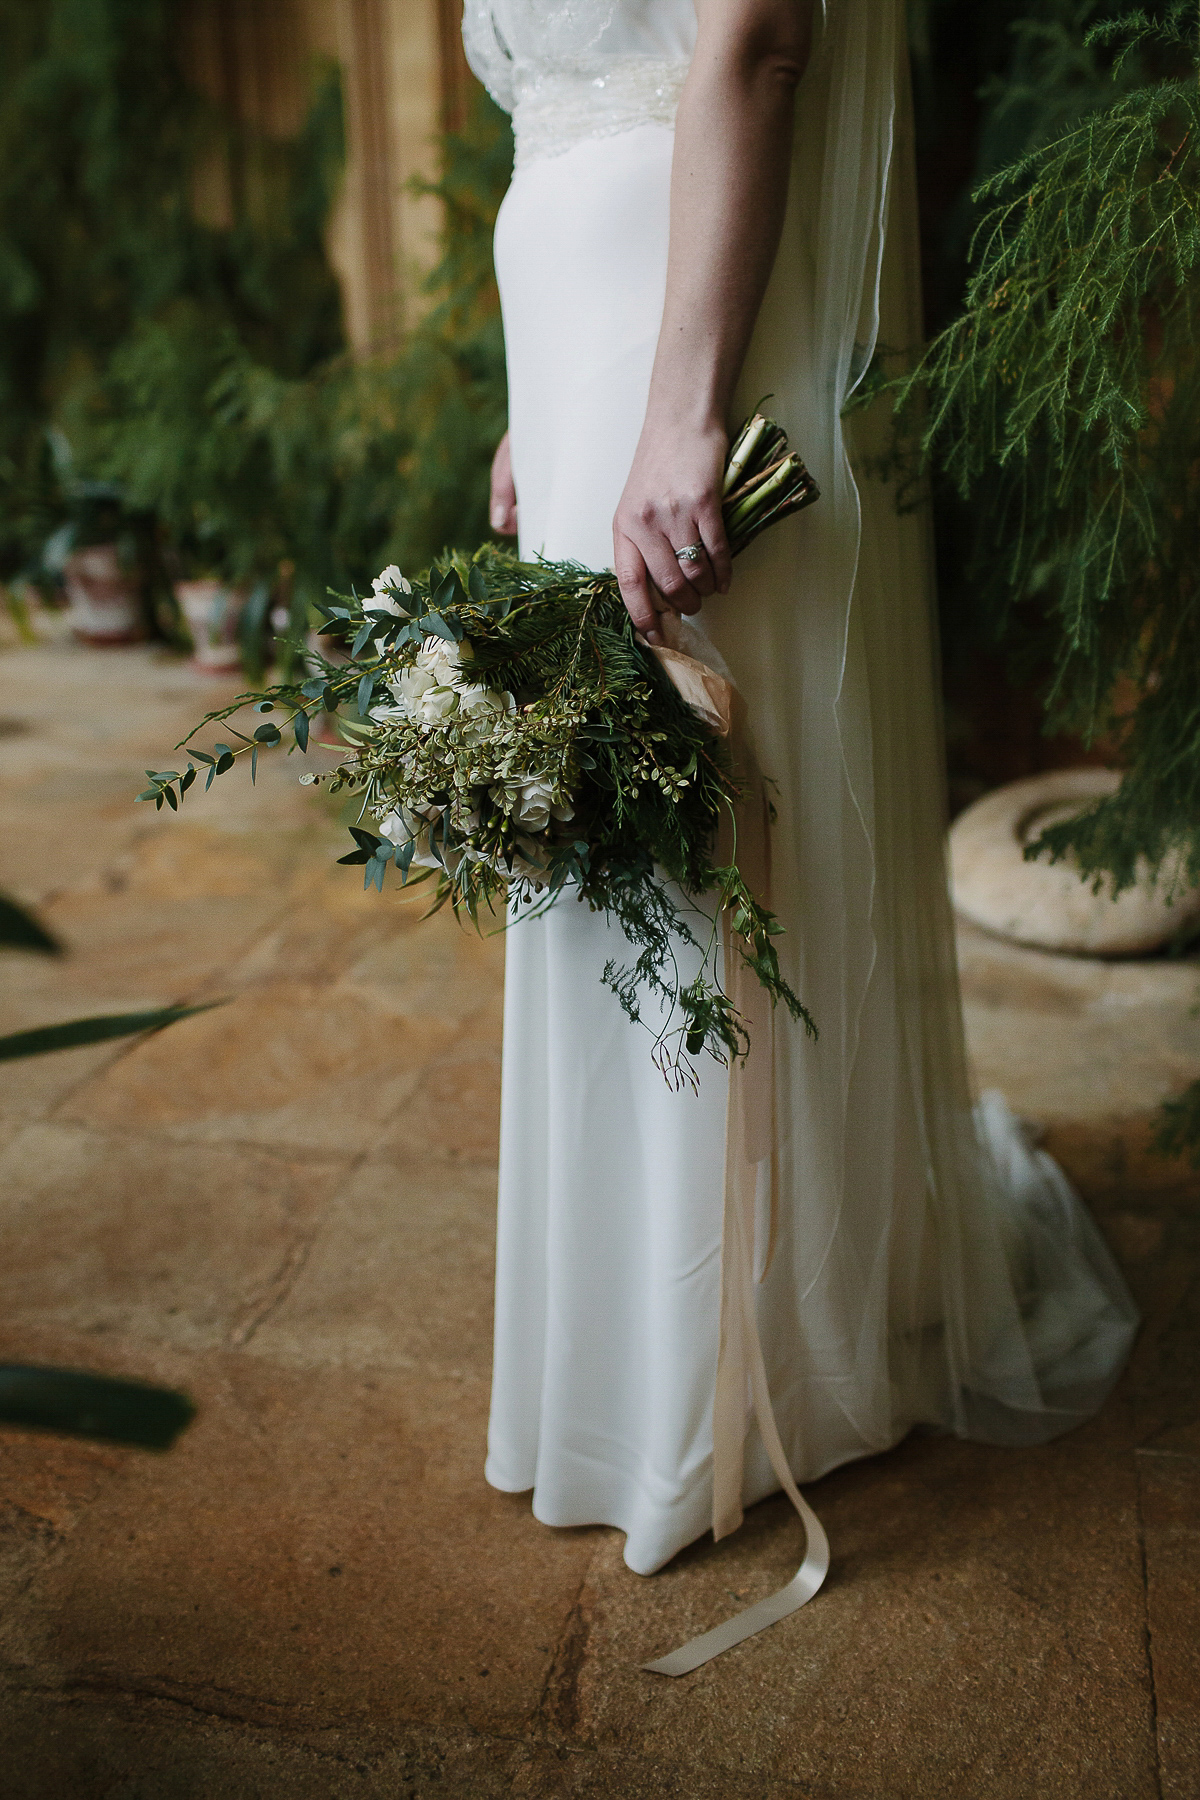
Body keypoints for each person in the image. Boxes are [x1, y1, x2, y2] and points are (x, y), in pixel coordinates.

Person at [463, 0, 1138, 1671]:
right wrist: (532, 404)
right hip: (590, 337)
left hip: (683, 332)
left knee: (700, 845)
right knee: (611, 851)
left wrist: (679, 410)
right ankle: (634, 1353)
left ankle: (734, 1377)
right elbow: (565, 107)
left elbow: (753, 43)